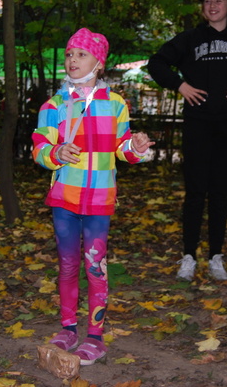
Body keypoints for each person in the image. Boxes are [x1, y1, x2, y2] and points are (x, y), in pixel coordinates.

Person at [32, 28, 154, 365]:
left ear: (98, 63)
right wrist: (56, 152)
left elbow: (122, 149)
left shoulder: (115, 104)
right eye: (69, 54)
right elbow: (39, 149)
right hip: (65, 199)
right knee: (68, 265)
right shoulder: (54, 106)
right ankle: (68, 328)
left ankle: (95, 337)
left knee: (95, 267)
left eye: (81, 54)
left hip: (99, 200)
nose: (73, 60)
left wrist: (136, 147)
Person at [147, 0, 227, 281]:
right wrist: (180, 85)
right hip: (197, 123)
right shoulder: (190, 39)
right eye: (208, 1)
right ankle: (188, 256)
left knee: (219, 192)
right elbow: (156, 63)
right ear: (202, 8)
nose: (213, 6)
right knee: (195, 191)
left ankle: (216, 256)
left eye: (219, 0)